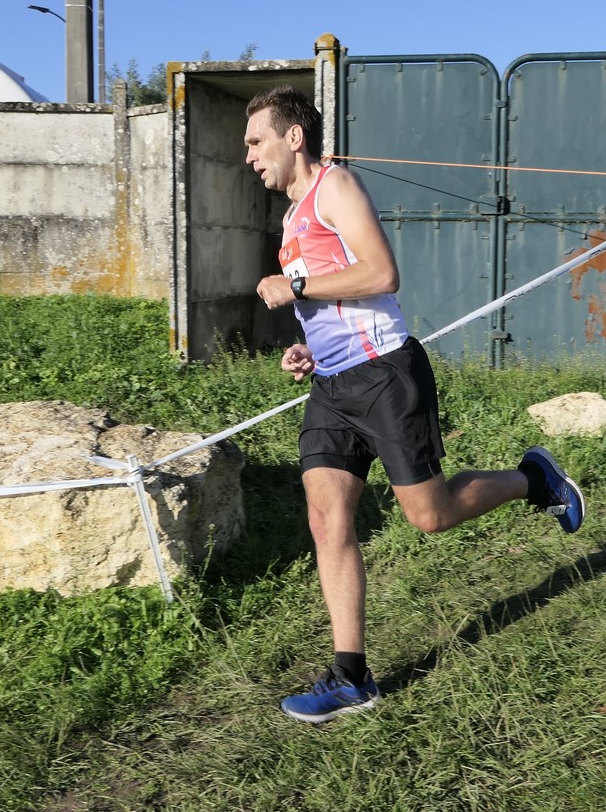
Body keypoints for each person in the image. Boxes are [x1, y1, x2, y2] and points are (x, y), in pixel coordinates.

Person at [245, 85, 585, 724]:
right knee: (326, 519)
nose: (250, 156)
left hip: (384, 375)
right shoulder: (291, 221)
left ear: (294, 137)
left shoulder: (335, 187)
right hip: (333, 387)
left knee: (430, 515)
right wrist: (309, 348)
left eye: (257, 141)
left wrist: (294, 285)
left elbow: (381, 274)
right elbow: (335, 300)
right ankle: (351, 677)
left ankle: (534, 480)